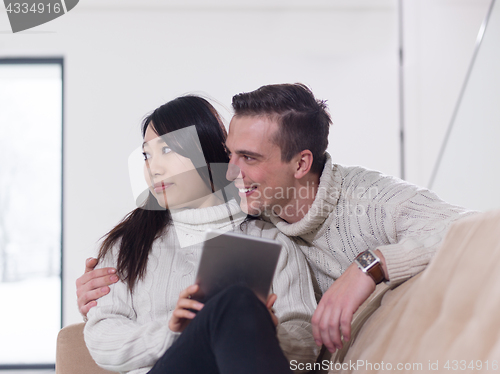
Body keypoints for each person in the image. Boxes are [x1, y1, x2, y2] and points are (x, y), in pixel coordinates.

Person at [78, 84, 473, 356]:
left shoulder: (366, 201)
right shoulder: (248, 206)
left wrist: (368, 266)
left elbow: (469, 229)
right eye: (230, 154)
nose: (230, 172)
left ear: (301, 164)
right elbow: (106, 329)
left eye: (248, 159)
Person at [82, 95, 319, 374]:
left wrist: (260, 329)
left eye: (167, 150)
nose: (153, 168)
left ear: (207, 152)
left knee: (237, 303)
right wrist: (170, 331)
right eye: (147, 155)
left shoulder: (271, 241)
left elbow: (307, 347)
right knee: (235, 300)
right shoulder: (128, 244)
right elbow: (101, 339)